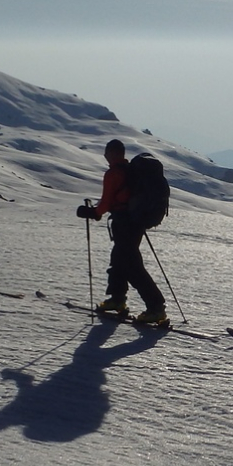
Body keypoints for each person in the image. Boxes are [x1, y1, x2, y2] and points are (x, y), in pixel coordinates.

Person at [76, 139, 167, 326]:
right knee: (119, 259)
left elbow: (107, 202)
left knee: (132, 266)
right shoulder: (130, 171)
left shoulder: (114, 173)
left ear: (113, 153)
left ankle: (155, 307)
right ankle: (117, 299)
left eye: (107, 152)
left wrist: (92, 213)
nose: (105, 156)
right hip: (135, 222)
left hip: (124, 222)